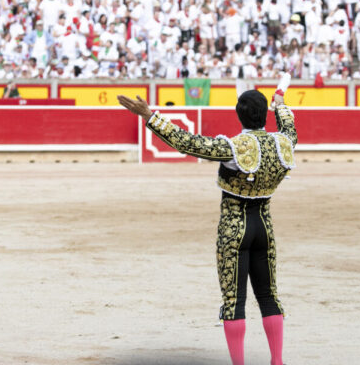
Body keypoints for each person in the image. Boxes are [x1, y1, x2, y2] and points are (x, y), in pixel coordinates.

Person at [117, 89, 296, 365]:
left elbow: (187, 143)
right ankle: (278, 361)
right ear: (265, 114)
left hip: (234, 228)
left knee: (234, 301)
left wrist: (150, 116)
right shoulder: (284, 143)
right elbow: (289, 125)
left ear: (239, 114)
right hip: (264, 226)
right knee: (269, 296)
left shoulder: (234, 148)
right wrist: (281, 104)